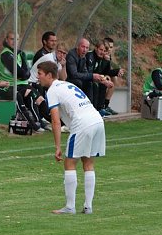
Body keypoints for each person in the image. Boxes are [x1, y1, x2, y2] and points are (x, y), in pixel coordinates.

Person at [37, 60, 105, 215]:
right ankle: (88, 206)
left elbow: (55, 121)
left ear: (49, 75)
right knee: (88, 163)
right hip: (97, 120)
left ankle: (70, 206)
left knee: (69, 162)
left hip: (83, 123)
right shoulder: (67, 85)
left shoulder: (52, 91)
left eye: (40, 74)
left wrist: (57, 147)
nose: (38, 77)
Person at [88, 39, 123, 115]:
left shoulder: (105, 58)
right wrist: (102, 79)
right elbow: (90, 72)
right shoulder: (90, 56)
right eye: (101, 49)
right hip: (88, 77)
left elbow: (106, 72)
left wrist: (117, 71)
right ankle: (96, 109)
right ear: (96, 48)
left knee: (106, 79)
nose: (103, 51)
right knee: (99, 82)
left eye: (111, 47)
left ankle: (101, 107)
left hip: (95, 77)